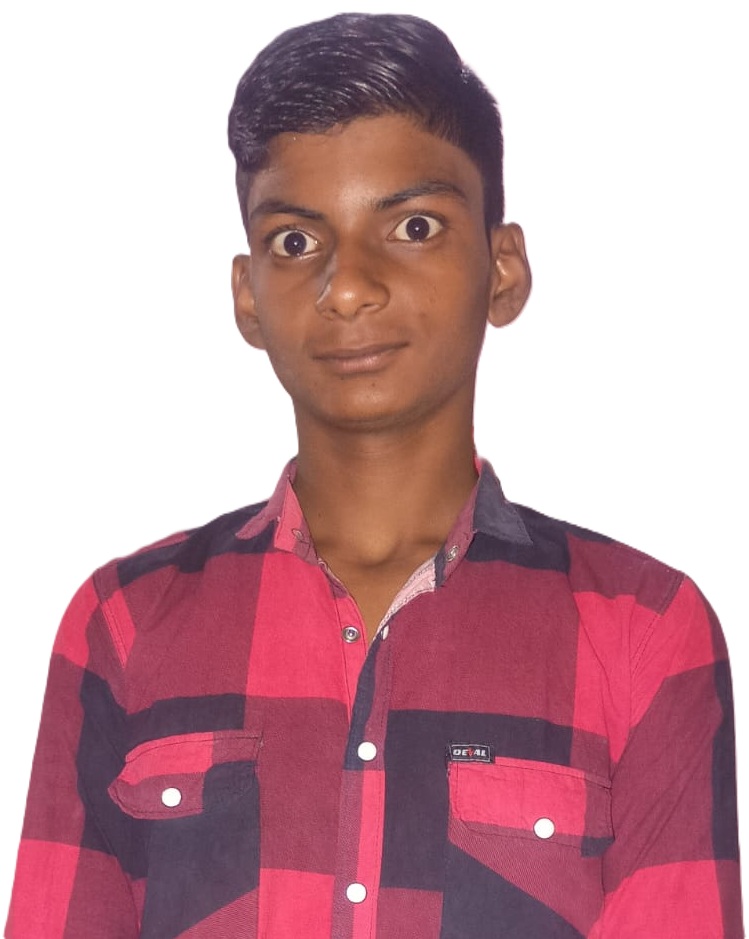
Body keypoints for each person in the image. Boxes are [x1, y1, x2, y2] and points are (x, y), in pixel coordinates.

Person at [5, 12, 743, 938]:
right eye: (295, 241)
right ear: (246, 296)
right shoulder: (122, 624)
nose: (347, 285)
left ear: (502, 270)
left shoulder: (643, 631)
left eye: (412, 226)